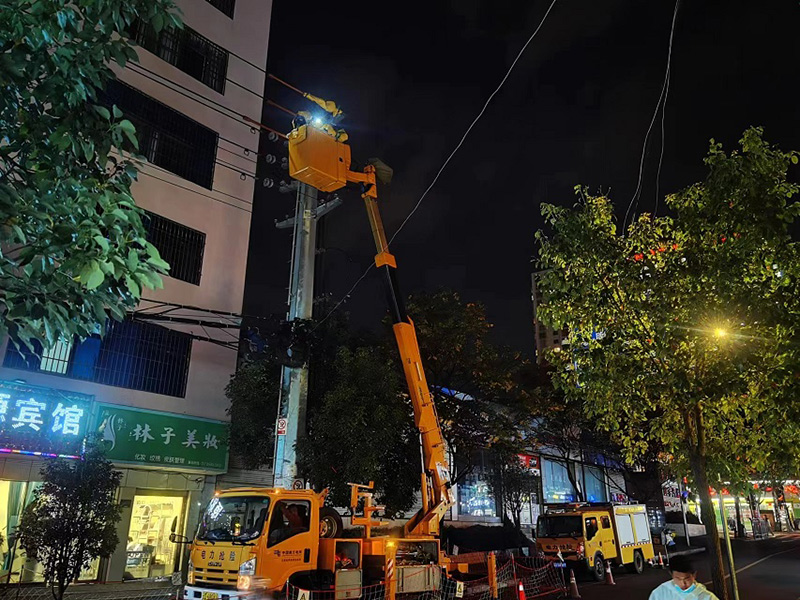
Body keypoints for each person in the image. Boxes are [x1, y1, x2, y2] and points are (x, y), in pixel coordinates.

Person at [648, 555, 719, 600]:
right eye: (678, 578)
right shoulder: (660, 593)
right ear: (671, 575)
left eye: (687, 578)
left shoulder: (707, 597)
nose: (683, 583)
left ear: (694, 575)